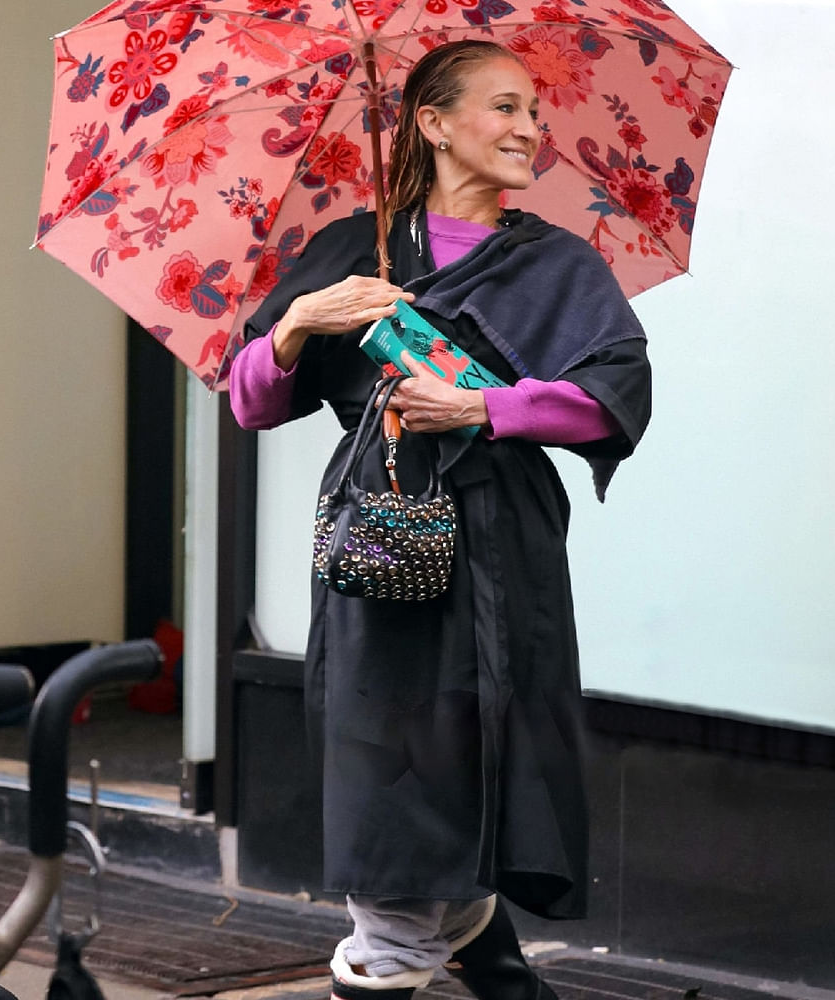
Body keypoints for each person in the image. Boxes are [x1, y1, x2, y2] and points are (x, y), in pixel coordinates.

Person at [229, 40, 651, 1000]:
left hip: (504, 550)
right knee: (395, 785)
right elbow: (250, 401)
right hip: (381, 541)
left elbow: (614, 398)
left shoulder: (556, 263)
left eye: (534, 114)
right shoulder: (353, 248)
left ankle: (437, 952)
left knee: (477, 772)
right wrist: (304, 321)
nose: (528, 130)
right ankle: (434, 958)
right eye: (504, 108)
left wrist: (484, 408)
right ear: (432, 122)